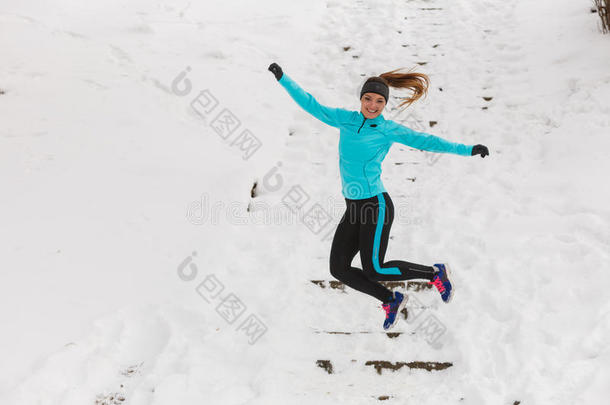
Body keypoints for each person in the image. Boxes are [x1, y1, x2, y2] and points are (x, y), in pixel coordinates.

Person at [268, 62, 489, 330]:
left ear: (385, 104)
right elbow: (312, 105)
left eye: (379, 101)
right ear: (361, 99)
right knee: (338, 268)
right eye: (368, 99)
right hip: (354, 208)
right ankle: (390, 299)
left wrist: (467, 149)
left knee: (375, 268)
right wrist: (283, 79)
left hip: (376, 205)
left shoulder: (388, 130)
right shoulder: (345, 119)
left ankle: (435, 273)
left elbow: (426, 141)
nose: (372, 105)